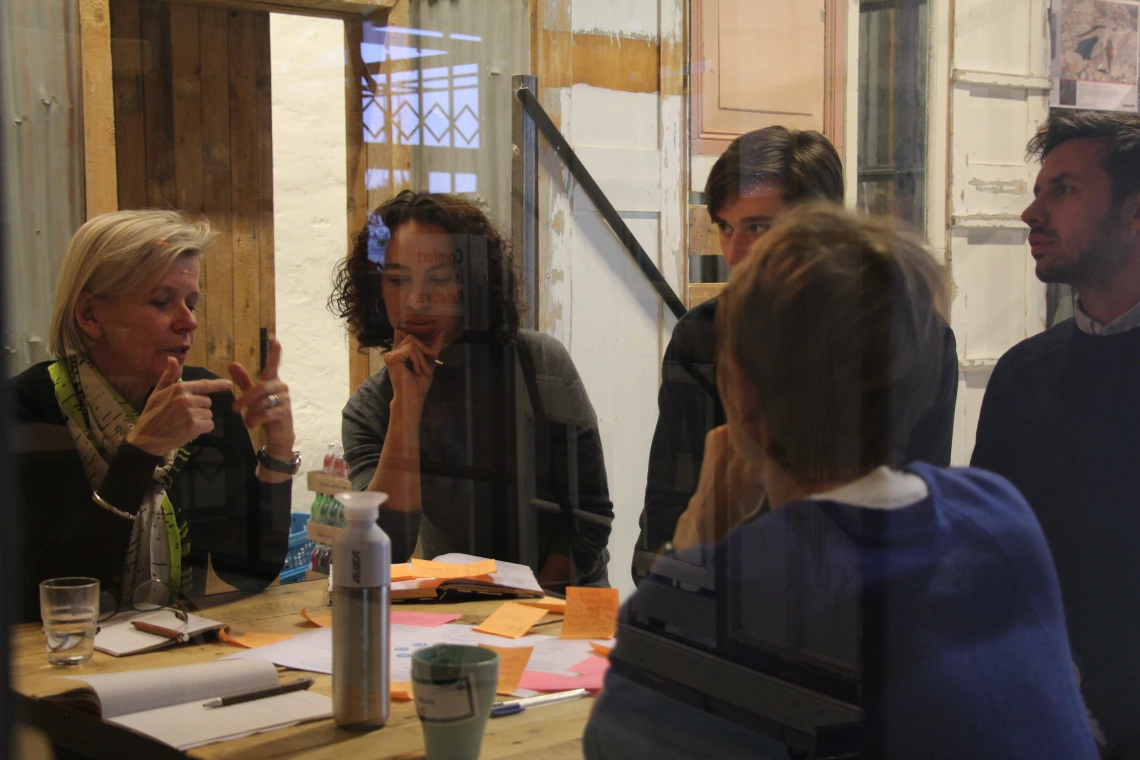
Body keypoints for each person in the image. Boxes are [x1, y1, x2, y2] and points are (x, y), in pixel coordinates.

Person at [586, 205, 1098, 759]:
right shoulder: (997, 514)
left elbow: (618, 746)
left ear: (740, 394)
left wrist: (694, 544)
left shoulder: (728, 594)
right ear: (925, 385)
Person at [634, 127, 959, 577]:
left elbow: (918, 493)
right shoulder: (702, 335)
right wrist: (667, 580)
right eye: (726, 228)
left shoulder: (915, 335)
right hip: (725, 591)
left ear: (822, 226)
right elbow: (668, 502)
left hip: (865, 590)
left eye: (758, 227)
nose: (736, 250)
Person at [10, 210, 296, 623]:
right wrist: (140, 452)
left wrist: (278, 451)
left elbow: (250, 571)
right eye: (162, 302)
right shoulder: (27, 407)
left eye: (191, 302)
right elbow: (43, 590)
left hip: (172, 650)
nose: (189, 321)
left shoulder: (205, 401)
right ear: (90, 315)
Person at [331, 191, 613, 589]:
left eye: (439, 279)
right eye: (397, 280)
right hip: (459, 606)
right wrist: (406, 409)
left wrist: (525, 603)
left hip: (560, 601)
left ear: (473, 282)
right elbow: (388, 549)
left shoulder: (539, 363)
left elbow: (589, 517)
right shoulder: (373, 406)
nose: (415, 300)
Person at [970, 110, 1140, 755]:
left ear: (1134, 210)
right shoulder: (1023, 376)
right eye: (1038, 191)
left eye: (1062, 191)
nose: (1030, 215)